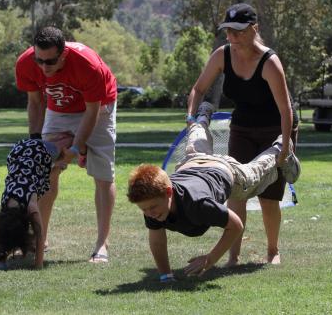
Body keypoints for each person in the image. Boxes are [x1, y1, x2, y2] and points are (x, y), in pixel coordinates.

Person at [127, 102, 300, 281]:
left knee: (254, 173)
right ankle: (201, 118)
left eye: (152, 208)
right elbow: (157, 240)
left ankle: (281, 146)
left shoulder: (198, 203)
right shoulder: (151, 204)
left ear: (169, 192)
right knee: (193, 145)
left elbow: (236, 225)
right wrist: (165, 275)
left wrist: (210, 259)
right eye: (144, 210)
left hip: (226, 172)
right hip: (193, 163)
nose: (149, 213)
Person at [186, 3, 299, 266]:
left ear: (254, 29)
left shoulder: (269, 62)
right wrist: (192, 118)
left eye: (237, 31)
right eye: (228, 31)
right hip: (242, 128)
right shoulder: (221, 56)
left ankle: (273, 251)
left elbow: (286, 110)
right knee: (237, 191)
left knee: (269, 197)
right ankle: (233, 256)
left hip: (275, 130)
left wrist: (284, 149)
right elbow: (198, 89)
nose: (232, 37)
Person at [15, 26, 117, 263]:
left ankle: (102, 244)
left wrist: (73, 148)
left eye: (50, 62)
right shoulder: (26, 63)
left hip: (99, 108)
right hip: (59, 109)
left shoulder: (86, 64)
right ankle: (40, 238)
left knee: (102, 174)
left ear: (63, 54)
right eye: (39, 60)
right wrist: (35, 141)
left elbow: (91, 112)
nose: (43, 67)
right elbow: (36, 102)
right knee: (46, 171)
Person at [0, 135, 73, 269]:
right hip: (18, 151)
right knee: (51, 165)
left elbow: (40, 236)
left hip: (38, 151)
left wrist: (38, 265)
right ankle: (59, 163)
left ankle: (77, 145)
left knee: (70, 143)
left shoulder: (31, 206)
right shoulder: (6, 205)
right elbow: (41, 178)